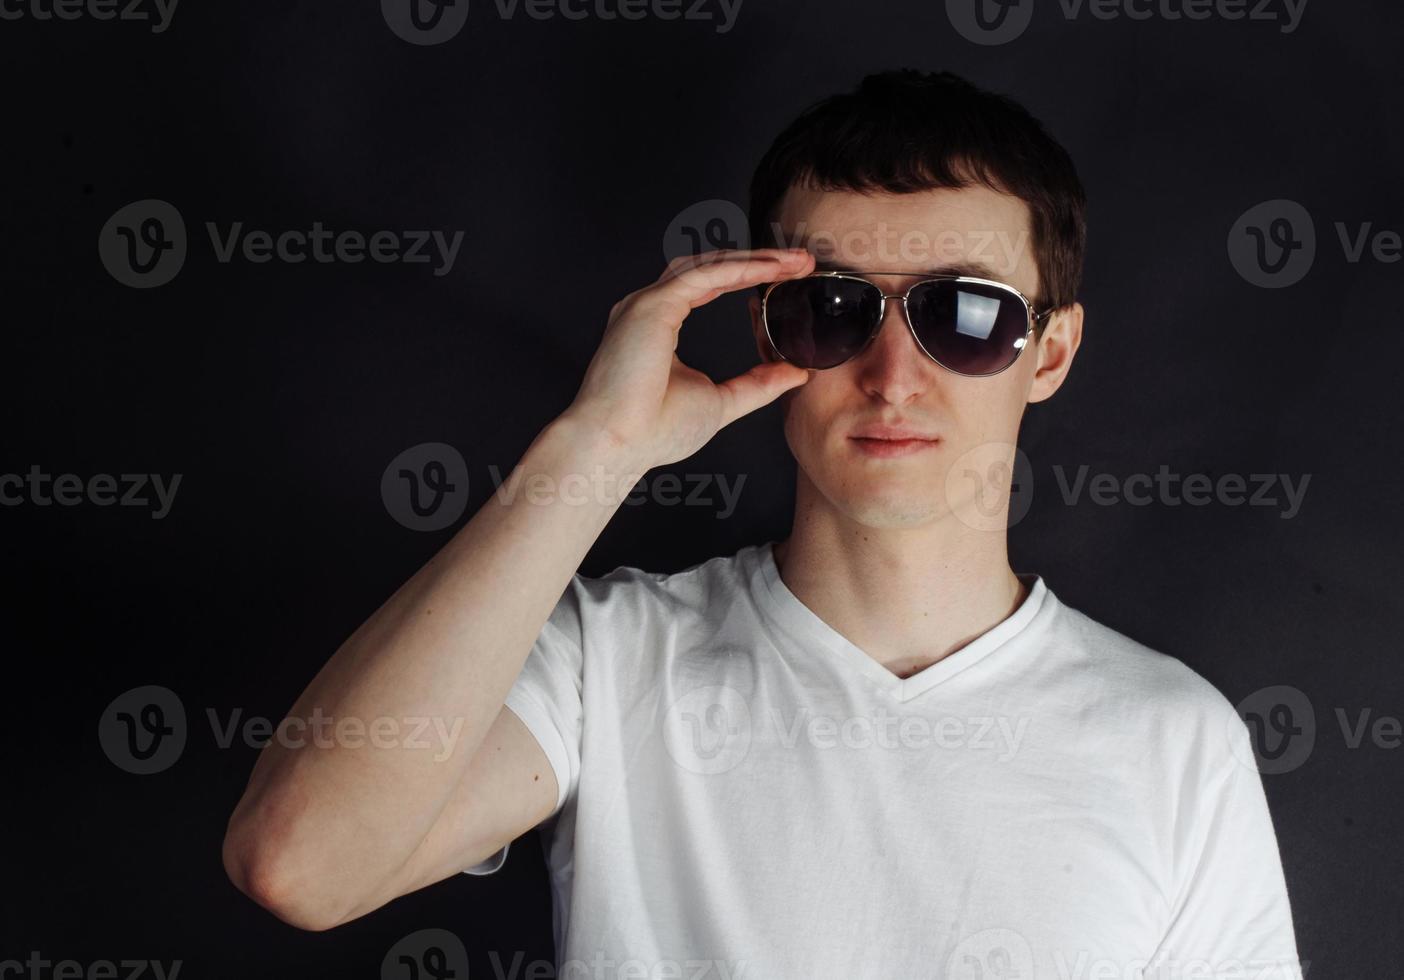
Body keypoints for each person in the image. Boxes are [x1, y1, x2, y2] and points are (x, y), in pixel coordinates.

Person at [222, 70, 1302, 979]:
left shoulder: (1173, 737)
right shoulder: (611, 661)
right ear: (768, 322)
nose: (893, 375)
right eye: (837, 307)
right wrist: (595, 449)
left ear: (1051, 352)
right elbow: (302, 861)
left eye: (966, 316)